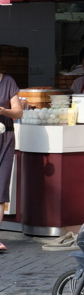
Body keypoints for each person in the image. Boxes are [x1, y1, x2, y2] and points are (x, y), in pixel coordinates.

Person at [0, 70, 23, 253]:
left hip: (4, 138)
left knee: (0, 190)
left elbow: (18, 112)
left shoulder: (8, 81)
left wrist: (4, 111)